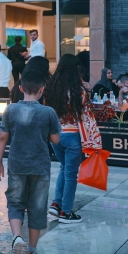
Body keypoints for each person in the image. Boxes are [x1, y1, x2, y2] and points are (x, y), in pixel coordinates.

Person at [0, 68, 61, 254]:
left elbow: (3, 137)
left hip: (17, 164)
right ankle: (32, 252)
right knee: (37, 207)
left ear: (21, 88)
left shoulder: (11, 110)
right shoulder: (48, 112)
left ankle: (17, 239)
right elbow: (56, 139)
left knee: (15, 203)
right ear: (42, 90)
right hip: (40, 166)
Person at [42, 54, 99, 224]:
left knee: (64, 168)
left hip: (55, 136)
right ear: (75, 69)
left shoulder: (51, 87)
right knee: (71, 174)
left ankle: (56, 204)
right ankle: (66, 212)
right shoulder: (78, 90)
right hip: (73, 135)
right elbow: (85, 114)